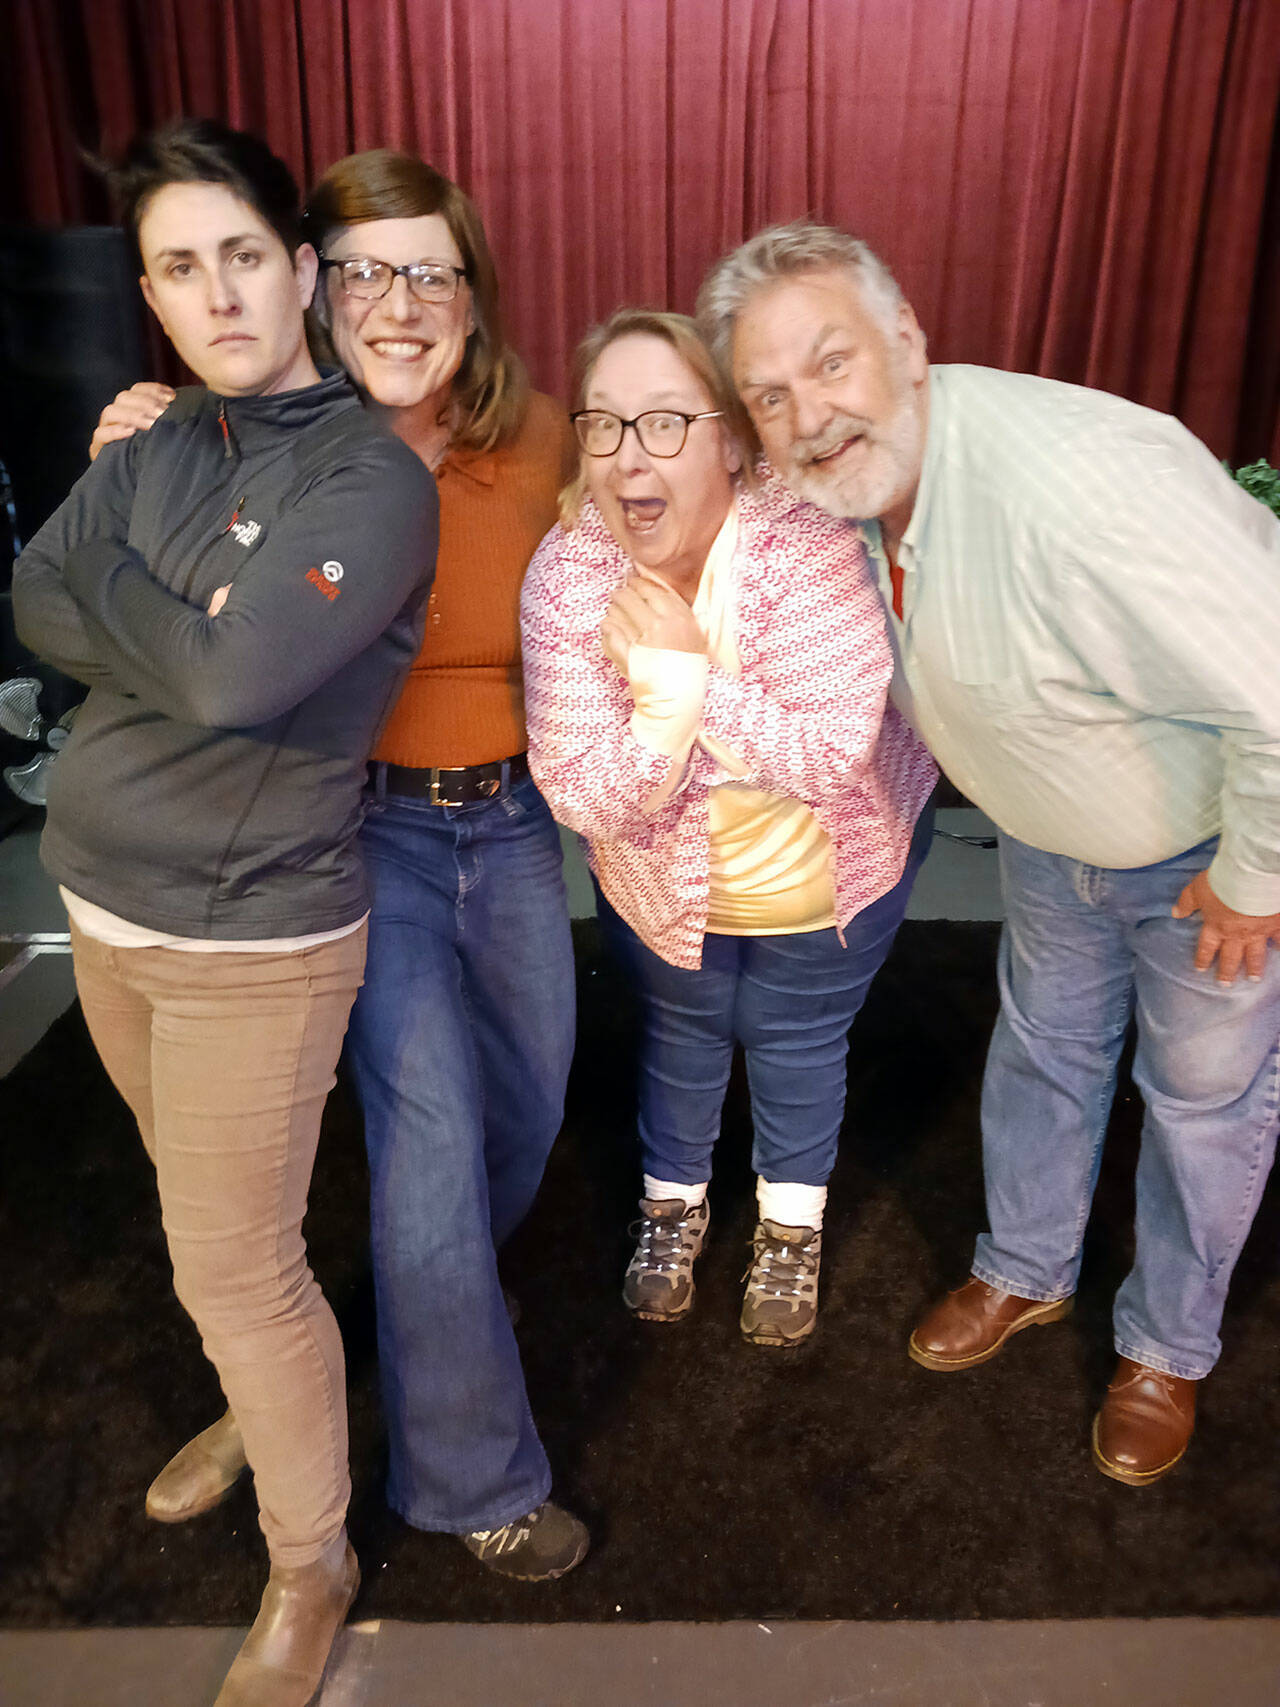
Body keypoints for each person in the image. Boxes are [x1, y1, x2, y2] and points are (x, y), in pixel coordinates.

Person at [699, 220, 1280, 1480]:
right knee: (1044, 1055)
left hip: (1201, 861)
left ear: (906, 339)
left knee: (1200, 1110)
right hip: (1046, 838)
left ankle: (1166, 1349)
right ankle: (1026, 1271)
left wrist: (1254, 878)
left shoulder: (1080, 483)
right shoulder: (852, 489)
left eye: (831, 361)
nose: (809, 414)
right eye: (770, 394)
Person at [93, 149, 587, 1580]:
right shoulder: (242, 438)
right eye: (366, 268)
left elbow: (657, 536)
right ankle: (470, 1470)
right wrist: (138, 437)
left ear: (473, 295)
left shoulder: (540, 441)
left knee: (528, 1105)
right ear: (318, 284)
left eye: (431, 269)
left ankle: (324, 1342)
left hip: (510, 822)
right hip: (349, 827)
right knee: (430, 1126)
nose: (398, 300)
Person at [14, 119, 437, 1707]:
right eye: (184, 268)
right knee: (219, 1251)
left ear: (305, 270)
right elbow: (35, 594)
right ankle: (264, 1413)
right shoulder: (156, 440)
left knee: (240, 1267)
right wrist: (173, 615)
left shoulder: (372, 477)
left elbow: (236, 674)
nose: (221, 293)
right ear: (153, 292)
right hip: (103, 909)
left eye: (246, 256)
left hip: (251, 939)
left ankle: (310, 1557)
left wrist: (174, 629)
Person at [521, 309, 936, 1346]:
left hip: (830, 877)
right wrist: (673, 708)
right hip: (661, 890)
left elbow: (827, 754)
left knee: (795, 1045)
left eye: (665, 422)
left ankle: (789, 1224)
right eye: (604, 425)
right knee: (681, 1036)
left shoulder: (802, 545)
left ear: (733, 441)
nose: (628, 456)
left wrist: (682, 680)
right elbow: (584, 795)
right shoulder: (568, 574)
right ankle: (673, 1204)